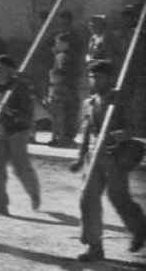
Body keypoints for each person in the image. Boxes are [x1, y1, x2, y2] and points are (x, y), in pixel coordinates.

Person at [70, 59, 146, 261]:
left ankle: (140, 230)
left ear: (109, 78)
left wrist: (115, 136)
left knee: (118, 198)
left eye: (99, 77)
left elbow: (133, 129)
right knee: (87, 198)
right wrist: (79, 158)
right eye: (92, 77)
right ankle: (94, 246)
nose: (95, 81)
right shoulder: (88, 103)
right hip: (93, 157)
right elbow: (86, 133)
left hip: (116, 157)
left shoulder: (119, 101)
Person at [0, 54, 41, 217]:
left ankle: (34, 193)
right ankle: (0, 206)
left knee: (21, 170)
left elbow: (28, 116)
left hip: (17, 133)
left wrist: (11, 112)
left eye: (1, 68)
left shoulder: (21, 88)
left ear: (10, 70)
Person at [47, 31, 83, 147]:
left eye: (59, 42)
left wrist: (55, 76)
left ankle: (64, 138)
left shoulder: (65, 56)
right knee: (62, 114)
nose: (57, 44)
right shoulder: (61, 55)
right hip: (65, 87)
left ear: (66, 43)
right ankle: (61, 137)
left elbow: (62, 72)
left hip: (65, 87)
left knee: (64, 114)